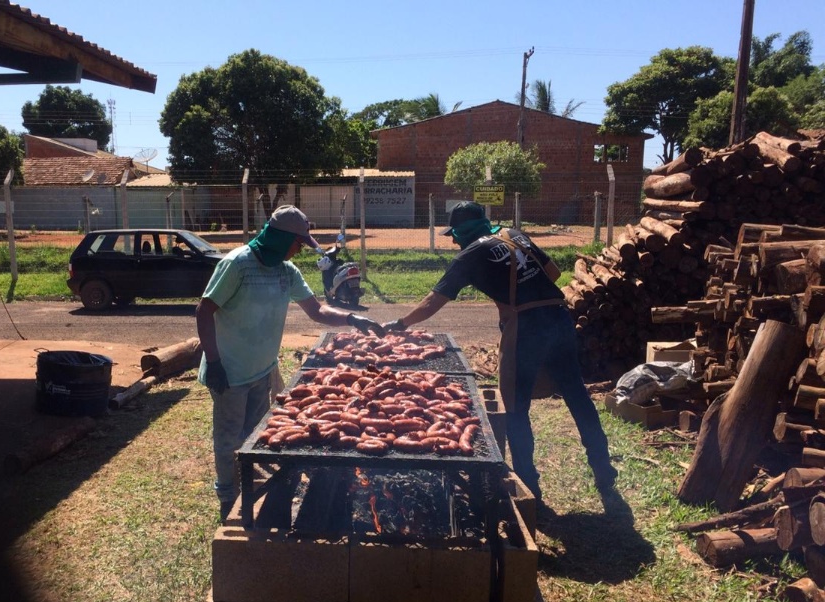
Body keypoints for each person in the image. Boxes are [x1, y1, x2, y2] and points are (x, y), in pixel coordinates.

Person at [382, 201, 616, 500]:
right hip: (558, 317)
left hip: (526, 327)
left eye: (454, 234)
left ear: (463, 232)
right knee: (576, 394)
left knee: (516, 408)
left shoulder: (469, 255)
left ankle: (528, 484)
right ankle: (603, 467)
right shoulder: (514, 234)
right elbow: (554, 273)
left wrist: (400, 323)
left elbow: (433, 301)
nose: (452, 240)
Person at [197, 205, 384, 521]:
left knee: (253, 435)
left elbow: (318, 311)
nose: (300, 250)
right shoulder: (237, 264)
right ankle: (228, 497)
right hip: (229, 372)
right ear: (280, 238)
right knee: (229, 438)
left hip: (262, 369)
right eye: (298, 243)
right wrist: (214, 362)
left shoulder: (287, 271)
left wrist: (353, 318)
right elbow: (204, 311)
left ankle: (249, 485)